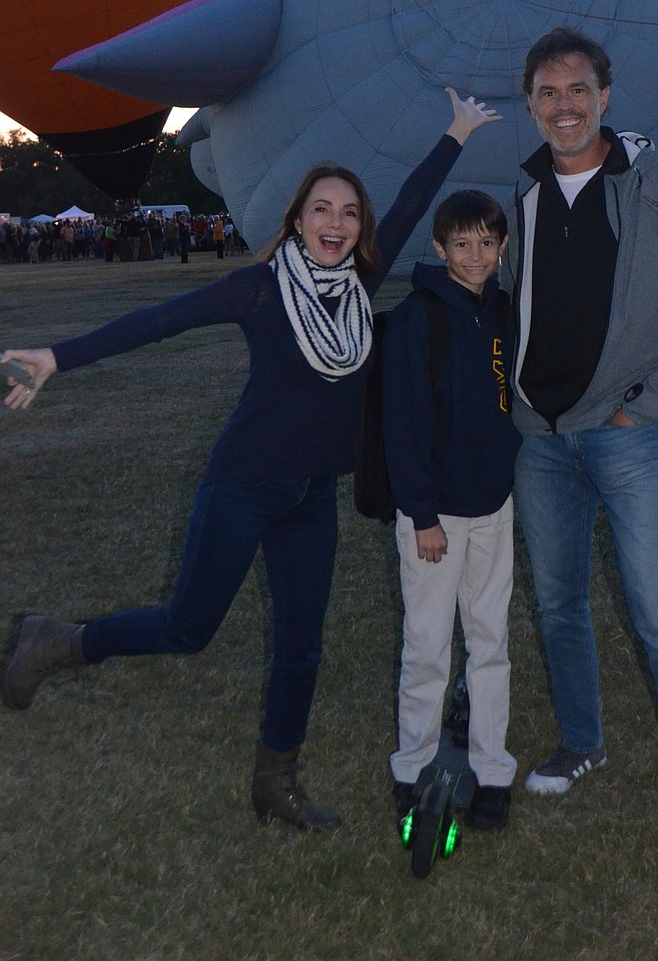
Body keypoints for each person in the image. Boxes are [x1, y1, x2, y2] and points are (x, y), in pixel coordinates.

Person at [0, 89, 499, 832]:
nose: (337, 223)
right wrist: (57, 358)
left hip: (310, 498)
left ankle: (278, 783)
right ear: (297, 219)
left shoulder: (361, 287)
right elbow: (158, 322)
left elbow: (410, 202)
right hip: (242, 484)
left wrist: (456, 131)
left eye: (348, 213)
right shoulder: (259, 289)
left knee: (303, 644)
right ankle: (61, 641)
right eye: (322, 210)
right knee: (186, 627)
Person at [503, 27, 658, 891]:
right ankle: (581, 741)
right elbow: (514, 309)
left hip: (626, 432)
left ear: (606, 96)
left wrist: (651, 405)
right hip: (541, 437)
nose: (563, 106)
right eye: (546, 92)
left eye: (578, 90)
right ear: (529, 103)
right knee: (559, 604)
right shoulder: (523, 196)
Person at [382, 191, 521, 833]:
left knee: (490, 641)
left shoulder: (503, 312)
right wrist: (423, 513)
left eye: (486, 243)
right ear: (439, 248)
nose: (475, 256)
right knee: (429, 644)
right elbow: (402, 424)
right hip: (433, 516)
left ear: (501, 248)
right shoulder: (416, 318)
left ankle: (492, 772)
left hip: (493, 503)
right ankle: (412, 768)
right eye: (461, 244)